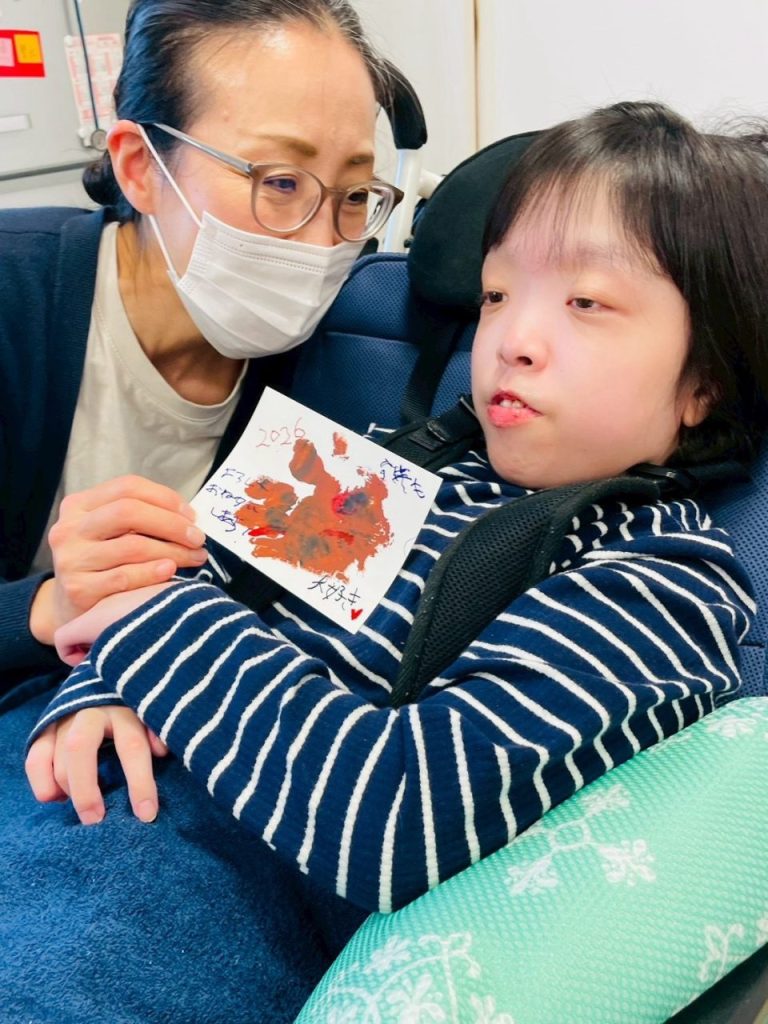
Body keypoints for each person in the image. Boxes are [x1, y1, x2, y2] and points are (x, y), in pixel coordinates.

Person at [12, 100, 768, 1021]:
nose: (511, 341)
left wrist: (146, 624)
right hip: (80, 812)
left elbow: (392, 813)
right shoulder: (405, 460)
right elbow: (203, 578)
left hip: (206, 914)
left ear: (703, 382)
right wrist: (98, 692)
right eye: (497, 295)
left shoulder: (660, 577)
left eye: (586, 303)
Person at [0, 0, 401, 700]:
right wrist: (43, 607)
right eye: (281, 182)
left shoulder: (339, 353)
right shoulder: (16, 296)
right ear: (140, 168)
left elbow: (318, 599)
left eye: (355, 193)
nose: (323, 244)